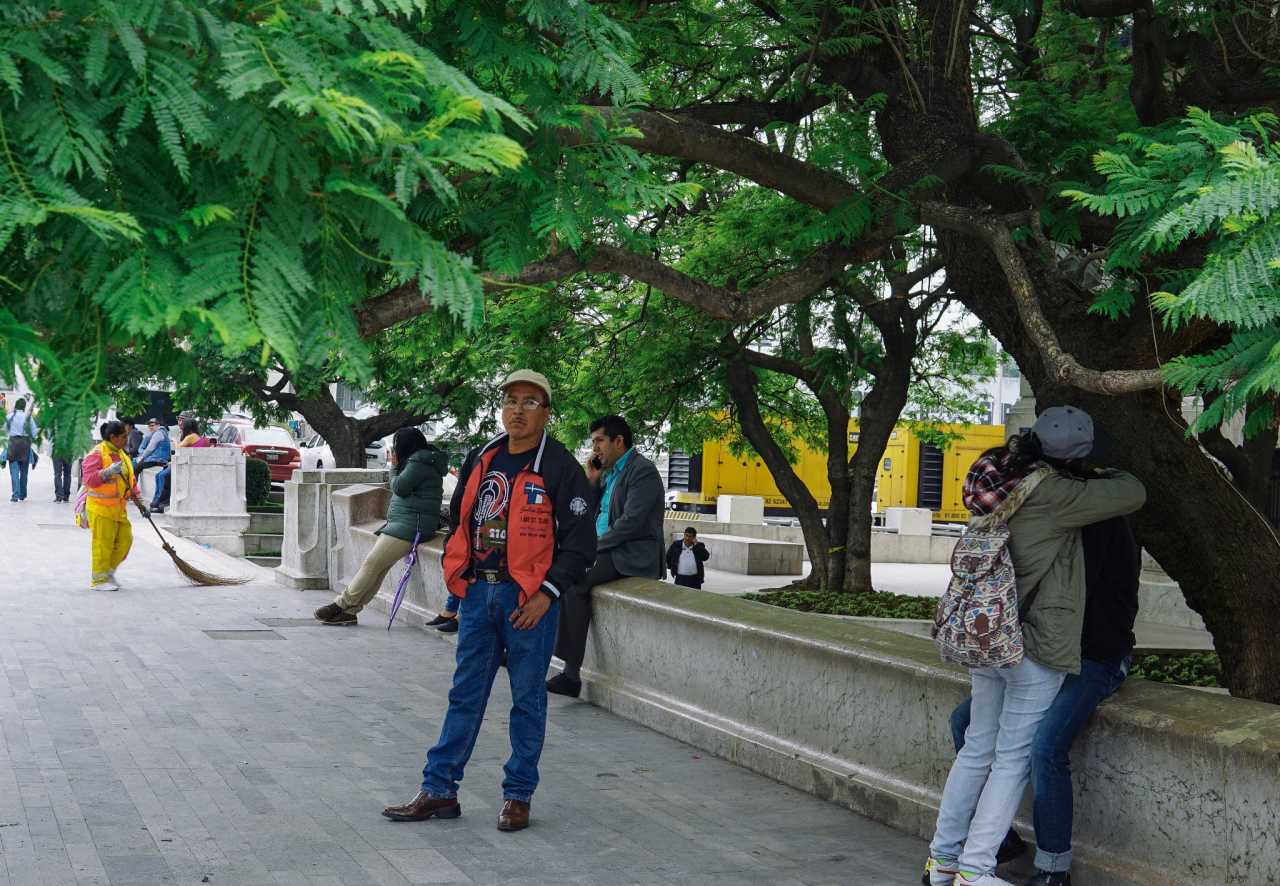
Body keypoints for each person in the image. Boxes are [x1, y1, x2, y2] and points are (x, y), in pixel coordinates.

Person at [923, 406, 1146, 886]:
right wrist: (1098, 469)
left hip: (987, 633)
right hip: (1033, 646)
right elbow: (1133, 491)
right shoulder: (1058, 493)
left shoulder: (994, 477)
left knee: (976, 748)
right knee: (1011, 758)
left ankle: (941, 863)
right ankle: (975, 870)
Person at [382, 369, 595, 832]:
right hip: (479, 594)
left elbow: (581, 545)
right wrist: (458, 576)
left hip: (528, 602)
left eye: (530, 402)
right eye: (511, 400)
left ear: (546, 412)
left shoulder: (560, 467)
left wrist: (546, 594)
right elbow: (460, 517)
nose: (518, 410)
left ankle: (518, 795)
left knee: (527, 699)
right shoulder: (484, 456)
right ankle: (439, 790)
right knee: (465, 694)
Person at [943, 510, 1141, 886]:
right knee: (964, 721)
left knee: (1045, 746)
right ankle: (996, 840)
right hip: (1045, 657)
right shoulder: (1042, 522)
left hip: (1097, 658)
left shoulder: (1098, 525)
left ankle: (1053, 868)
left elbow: (1092, 614)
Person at [546, 414, 665, 699]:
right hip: (604, 548)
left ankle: (571, 674)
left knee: (575, 580)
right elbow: (583, 510)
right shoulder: (609, 472)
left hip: (630, 553)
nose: (595, 448)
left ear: (618, 441)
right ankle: (532, 650)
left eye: (599, 441)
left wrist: (592, 547)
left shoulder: (642, 471)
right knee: (553, 571)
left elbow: (631, 522)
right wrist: (591, 480)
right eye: (594, 442)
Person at [313, 427, 448, 626]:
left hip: (410, 526)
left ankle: (341, 604)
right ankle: (349, 612)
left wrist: (394, 466)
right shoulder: (424, 460)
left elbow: (399, 487)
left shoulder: (419, 463)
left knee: (372, 564)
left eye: (396, 446)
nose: (394, 450)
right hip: (408, 523)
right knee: (378, 569)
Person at [81, 420, 147, 592]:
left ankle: (108, 572)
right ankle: (99, 580)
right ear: (113, 437)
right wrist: (107, 472)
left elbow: (130, 480)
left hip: (118, 509)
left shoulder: (122, 454)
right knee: (103, 544)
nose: (127, 439)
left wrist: (139, 501)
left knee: (126, 540)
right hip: (100, 508)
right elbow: (88, 479)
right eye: (124, 436)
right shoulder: (97, 454)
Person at [150, 418, 213, 513]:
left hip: (185, 466)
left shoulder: (191, 437)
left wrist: (174, 440)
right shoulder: (197, 436)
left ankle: (159, 502)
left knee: (162, 476)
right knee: (159, 475)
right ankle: (157, 501)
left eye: (183, 426)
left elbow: (178, 448)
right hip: (188, 464)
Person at [4, 397, 38, 502]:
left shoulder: (10, 416)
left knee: (14, 472)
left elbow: (5, 430)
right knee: (24, 472)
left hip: (13, 444)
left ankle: (15, 495)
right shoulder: (28, 417)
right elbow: (34, 432)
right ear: (24, 407)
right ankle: (22, 495)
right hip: (25, 445)